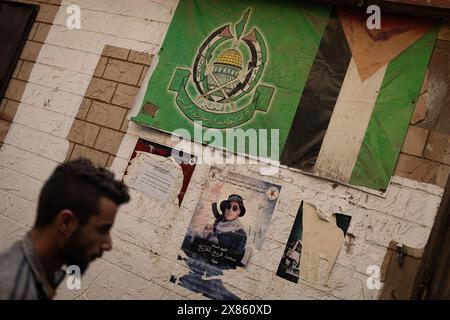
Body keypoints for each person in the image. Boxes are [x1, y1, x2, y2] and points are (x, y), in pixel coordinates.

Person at [0, 158, 130, 300]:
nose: (108, 245)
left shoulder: (39, 276)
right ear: (66, 223)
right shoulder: (12, 290)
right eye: (102, 230)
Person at [207, 194, 248, 261]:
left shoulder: (241, 235)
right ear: (225, 208)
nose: (230, 210)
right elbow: (216, 214)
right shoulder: (220, 220)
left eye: (234, 208)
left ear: (239, 212)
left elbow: (235, 258)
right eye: (228, 206)